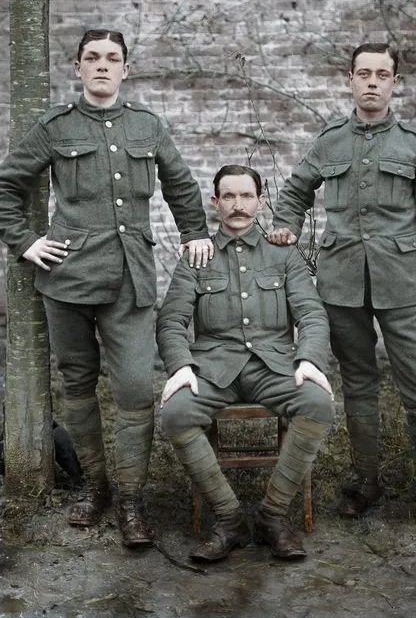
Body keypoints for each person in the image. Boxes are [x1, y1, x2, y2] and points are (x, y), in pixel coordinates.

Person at [0, 29, 214, 547]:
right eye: (91, 58)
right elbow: (7, 184)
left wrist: (196, 232)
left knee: (137, 389)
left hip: (130, 279)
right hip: (67, 278)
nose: (101, 66)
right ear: (77, 68)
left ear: (125, 68)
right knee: (77, 385)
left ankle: (131, 500)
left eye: (112, 58)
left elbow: (181, 183)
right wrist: (25, 243)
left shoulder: (147, 125)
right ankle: (94, 488)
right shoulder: (55, 127)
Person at [268, 43, 416, 529]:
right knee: (359, 385)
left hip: (404, 286)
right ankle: (366, 482)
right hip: (341, 284)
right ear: (350, 79)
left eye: (382, 75)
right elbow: (294, 190)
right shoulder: (329, 141)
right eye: (364, 73)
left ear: (394, 83)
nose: (372, 82)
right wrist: (285, 223)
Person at [157, 164, 335, 562]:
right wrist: (181, 366)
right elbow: (171, 320)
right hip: (214, 368)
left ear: (259, 199)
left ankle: (273, 517)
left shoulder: (282, 255)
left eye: (247, 196)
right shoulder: (196, 256)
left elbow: (311, 314)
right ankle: (229, 519)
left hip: (273, 366)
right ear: (215, 201)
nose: (238, 206)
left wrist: (308, 359)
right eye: (229, 197)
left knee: (318, 404)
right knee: (177, 413)